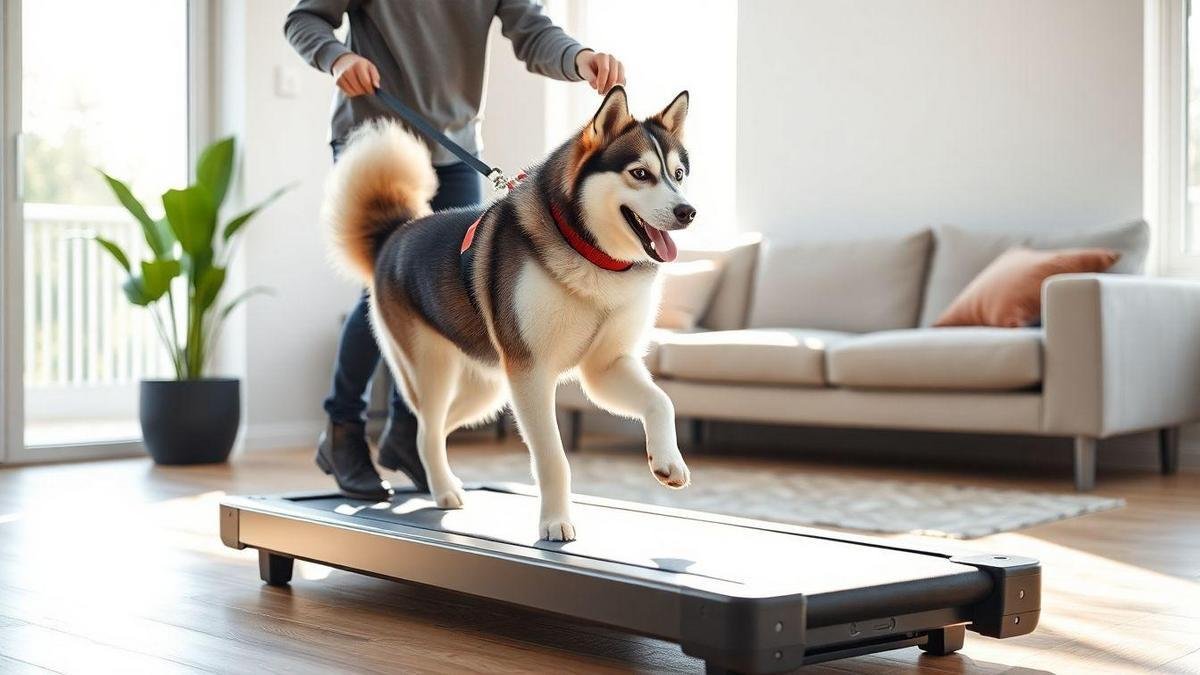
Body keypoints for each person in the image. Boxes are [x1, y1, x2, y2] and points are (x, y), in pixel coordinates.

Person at [285, 1, 626, 500]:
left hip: (456, 149)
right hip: (378, 132)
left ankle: (410, 435)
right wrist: (337, 57)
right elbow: (303, 19)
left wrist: (579, 58)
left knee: (450, 294)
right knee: (385, 288)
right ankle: (342, 430)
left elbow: (532, 32)